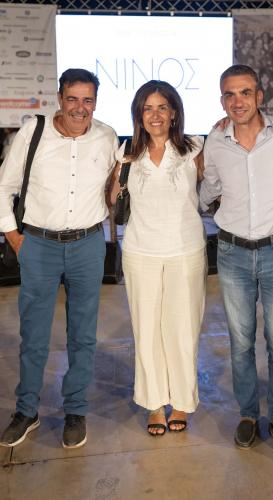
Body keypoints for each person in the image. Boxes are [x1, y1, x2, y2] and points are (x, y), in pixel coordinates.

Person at [0, 68, 120, 449]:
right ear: (59, 98)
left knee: (82, 335)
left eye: (88, 100)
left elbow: (113, 189)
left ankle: (75, 411)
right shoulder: (32, 133)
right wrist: (14, 237)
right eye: (72, 99)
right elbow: (4, 186)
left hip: (88, 245)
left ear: (95, 102)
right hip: (39, 245)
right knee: (34, 335)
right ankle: (27, 410)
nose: (80, 108)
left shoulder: (107, 137)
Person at [200, 65, 273, 451]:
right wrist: (192, 203)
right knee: (240, 342)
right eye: (229, 95)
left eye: (245, 92)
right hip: (232, 253)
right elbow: (209, 188)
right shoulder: (215, 140)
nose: (238, 101)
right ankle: (248, 414)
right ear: (222, 101)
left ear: (259, 96)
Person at [109, 80, 206, 437]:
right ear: (138, 115)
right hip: (140, 252)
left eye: (162, 107)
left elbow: (211, 189)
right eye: (147, 108)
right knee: (147, 330)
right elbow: (113, 201)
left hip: (186, 251)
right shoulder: (126, 152)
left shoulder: (194, 148)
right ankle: (153, 404)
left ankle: (180, 401)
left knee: (183, 330)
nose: (155, 115)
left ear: (174, 112)